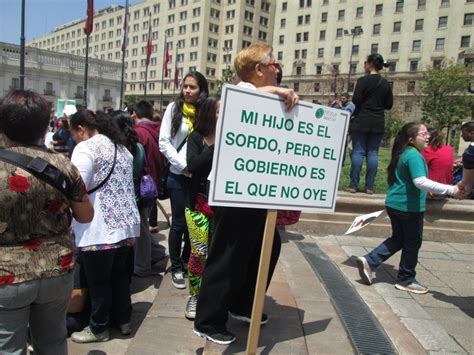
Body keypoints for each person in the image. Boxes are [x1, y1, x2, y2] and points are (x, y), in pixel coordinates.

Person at [194, 43, 299, 345]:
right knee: (228, 252)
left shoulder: (268, 101)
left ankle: (242, 305)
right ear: (258, 69)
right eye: (273, 63)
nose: (278, 68)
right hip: (233, 188)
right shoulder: (237, 94)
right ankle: (208, 320)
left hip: (258, 189)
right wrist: (278, 93)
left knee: (265, 247)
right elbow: (238, 101)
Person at [0, 90, 93, 354]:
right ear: (44, 127)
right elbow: (85, 215)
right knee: (52, 342)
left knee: (7, 348)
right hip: (57, 268)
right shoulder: (63, 165)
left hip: (7, 276)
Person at [356, 122, 462, 295]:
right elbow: (420, 181)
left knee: (399, 239)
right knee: (413, 242)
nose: (427, 136)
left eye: (427, 132)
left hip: (395, 204)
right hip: (409, 207)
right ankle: (405, 279)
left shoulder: (404, 153)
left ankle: (370, 260)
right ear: (411, 138)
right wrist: (451, 190)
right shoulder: (414, 156)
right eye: (423, 133)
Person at [69, 110, 140, 343]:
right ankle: (124, 321)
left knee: (99, 282)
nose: (74, 139)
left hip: (98, 228)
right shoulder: (122, 149)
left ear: (81, 128)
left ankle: (99, 328)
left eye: (73, 133)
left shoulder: (86, 148)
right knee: (120, 276)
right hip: (125, 226)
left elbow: (76, 187)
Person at [159, 71, 209, 289]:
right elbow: (164, 142)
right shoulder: (174, 109)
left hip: (198, 176)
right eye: (185, 86)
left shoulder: (206, 112)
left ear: (202, 90)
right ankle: (177, 267)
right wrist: (183, 166)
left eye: (193, 87)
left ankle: (190, 263)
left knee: (194, 224)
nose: (187, 91)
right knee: (179, 223)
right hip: (178, 176)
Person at [184, 96, 220, 320]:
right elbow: (193, 165)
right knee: (199, 252)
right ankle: (194, 295)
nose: (222, 115)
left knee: (217, 255)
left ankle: (213, 295)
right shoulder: (196, 138)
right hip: (197, 205)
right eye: (218, 112)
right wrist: (214, 145)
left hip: (222, 209)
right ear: (209, 114)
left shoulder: (232, 138)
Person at [130, 101, 168, 276]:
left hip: (143, 187)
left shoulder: (139, 133)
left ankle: (142, 266)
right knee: (142, 226)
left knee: (140, 229)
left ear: (135, 115)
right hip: (153, 184)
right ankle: (159, 253)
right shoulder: (159, 130)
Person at [349, 53, 393, 194]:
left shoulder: (362, 80)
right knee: (373, 154)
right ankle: (369, 186)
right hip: (378, 121)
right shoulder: (385, 83)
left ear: (370, 64)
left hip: (362, 119)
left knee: (358, 152)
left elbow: (356, 100)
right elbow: (389, 104)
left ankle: (353, 185)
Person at [458, 121, 474, 195]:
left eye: (464, 133)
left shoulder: (470, 152)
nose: (462, 136)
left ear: (472, 133)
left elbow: (467, 181)